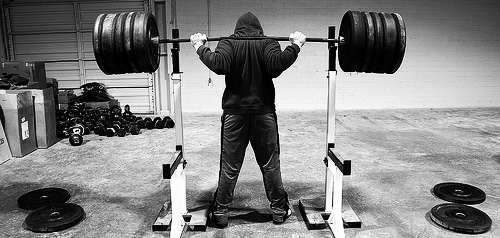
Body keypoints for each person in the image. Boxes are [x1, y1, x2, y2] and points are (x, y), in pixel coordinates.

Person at [190, 12, 306, 227]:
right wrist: (295, 45)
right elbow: (276, 66)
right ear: (259, 29)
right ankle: (279, 210)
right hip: (264, 114)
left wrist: (199, 46)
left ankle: (222, 212)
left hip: (235, 115)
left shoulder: (228, 42)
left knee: (230, 165)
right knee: (270, 164)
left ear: (237, 29)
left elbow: (218, 64)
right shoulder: (267, 43)